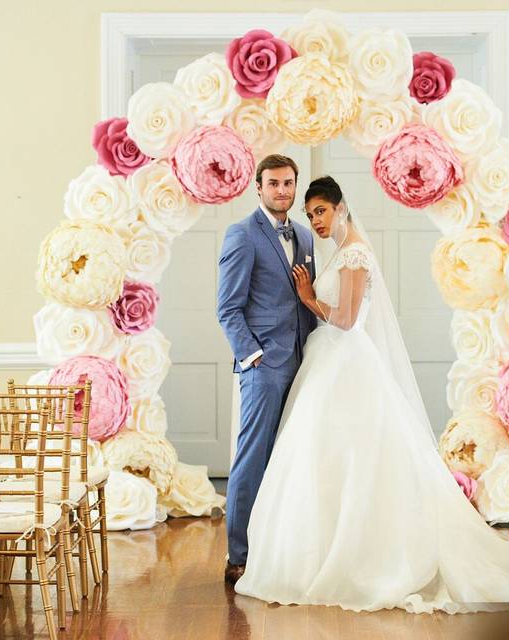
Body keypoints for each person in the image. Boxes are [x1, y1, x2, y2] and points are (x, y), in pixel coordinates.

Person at [233, 176, 509, 613]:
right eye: (310, 215)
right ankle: (316, 550)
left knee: (355, 459)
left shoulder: (357, 252)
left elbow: (344, 320)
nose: (315, 221)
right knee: (324, 459)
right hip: (328, 362)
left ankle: (362, 557)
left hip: (346, 360)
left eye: (321, 211)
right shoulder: (342, 251)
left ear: (341, 207)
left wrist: (308, 298)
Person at [216, 154, 317, 585]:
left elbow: (304, 298)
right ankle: (238, 555)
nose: (281, 190)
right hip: (265, 366)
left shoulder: (307, 236)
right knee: (252, 459)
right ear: (258, 187)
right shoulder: (242, 235)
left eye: (288, 183)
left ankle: (281, 549)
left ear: (296, 186)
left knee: (293, 460)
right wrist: (253, 357)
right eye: (273, 183)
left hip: (305, 362)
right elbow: (228, 308)